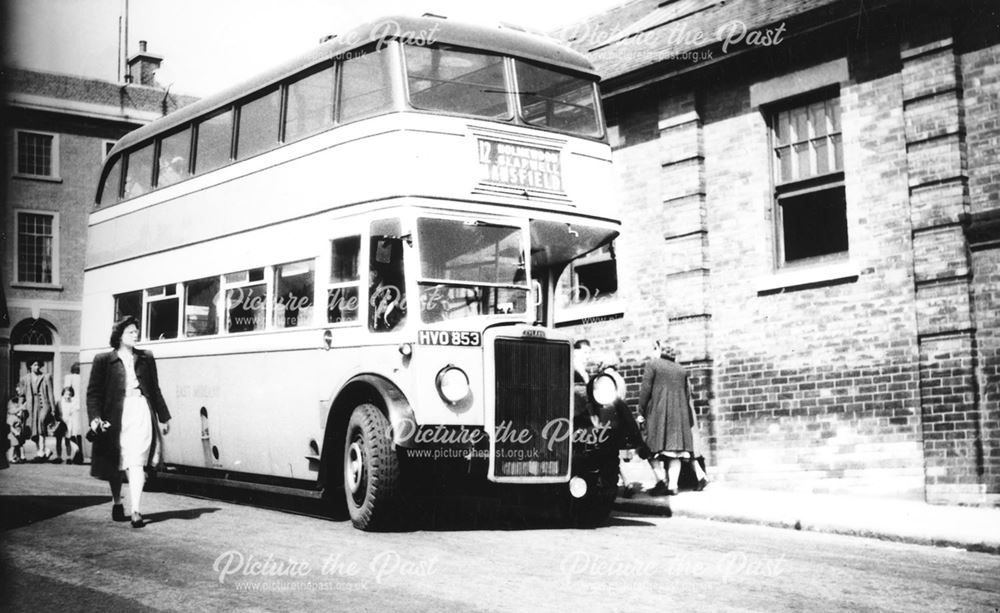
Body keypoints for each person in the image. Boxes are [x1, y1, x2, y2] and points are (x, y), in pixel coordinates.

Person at [87, 317, 171, 528]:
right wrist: (95, 418)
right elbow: (94, 394)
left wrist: (164, 416)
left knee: (136, 461)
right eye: (131, 332)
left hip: (140, 411)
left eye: (136, 331)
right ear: (119, 336)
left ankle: (136, 510)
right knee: (117, 462)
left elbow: (155, 388)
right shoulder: (103, 360)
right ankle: (117, 502)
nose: (136, 335)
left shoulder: (146, 357)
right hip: (115, 416)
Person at [637, 341, 708, 495]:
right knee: (675, 451)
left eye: (654, 349)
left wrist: (641, 412)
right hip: (679, 416)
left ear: (659, 350)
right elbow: (688, 395)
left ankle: (661, 480)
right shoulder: (681, 370)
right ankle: (672, 486)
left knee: (647, 448)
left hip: (658, 414)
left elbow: (645, 390)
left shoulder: (653, 364)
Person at [20, 360, 55, 462]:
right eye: (35, 365)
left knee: (41, 423)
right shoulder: (25, 379)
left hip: (44, 404)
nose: (37, 367)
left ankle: (41, 451)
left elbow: (51, 394)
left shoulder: (46, 377)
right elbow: (22, 395)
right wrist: (21, 407)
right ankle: (43, 451)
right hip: (31, 406)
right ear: (30, 366)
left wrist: (53, 409)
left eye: (39, 365)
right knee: (33, 429)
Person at [6, 387, 28, 464]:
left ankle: (21, 456)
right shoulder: (11, 415)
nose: (18, 393)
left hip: (19, 428)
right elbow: (10, 425)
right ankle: (11, 457)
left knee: (20, 444)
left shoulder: (21, 401)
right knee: (13, 445)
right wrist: (20, 408)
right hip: (14, 431)